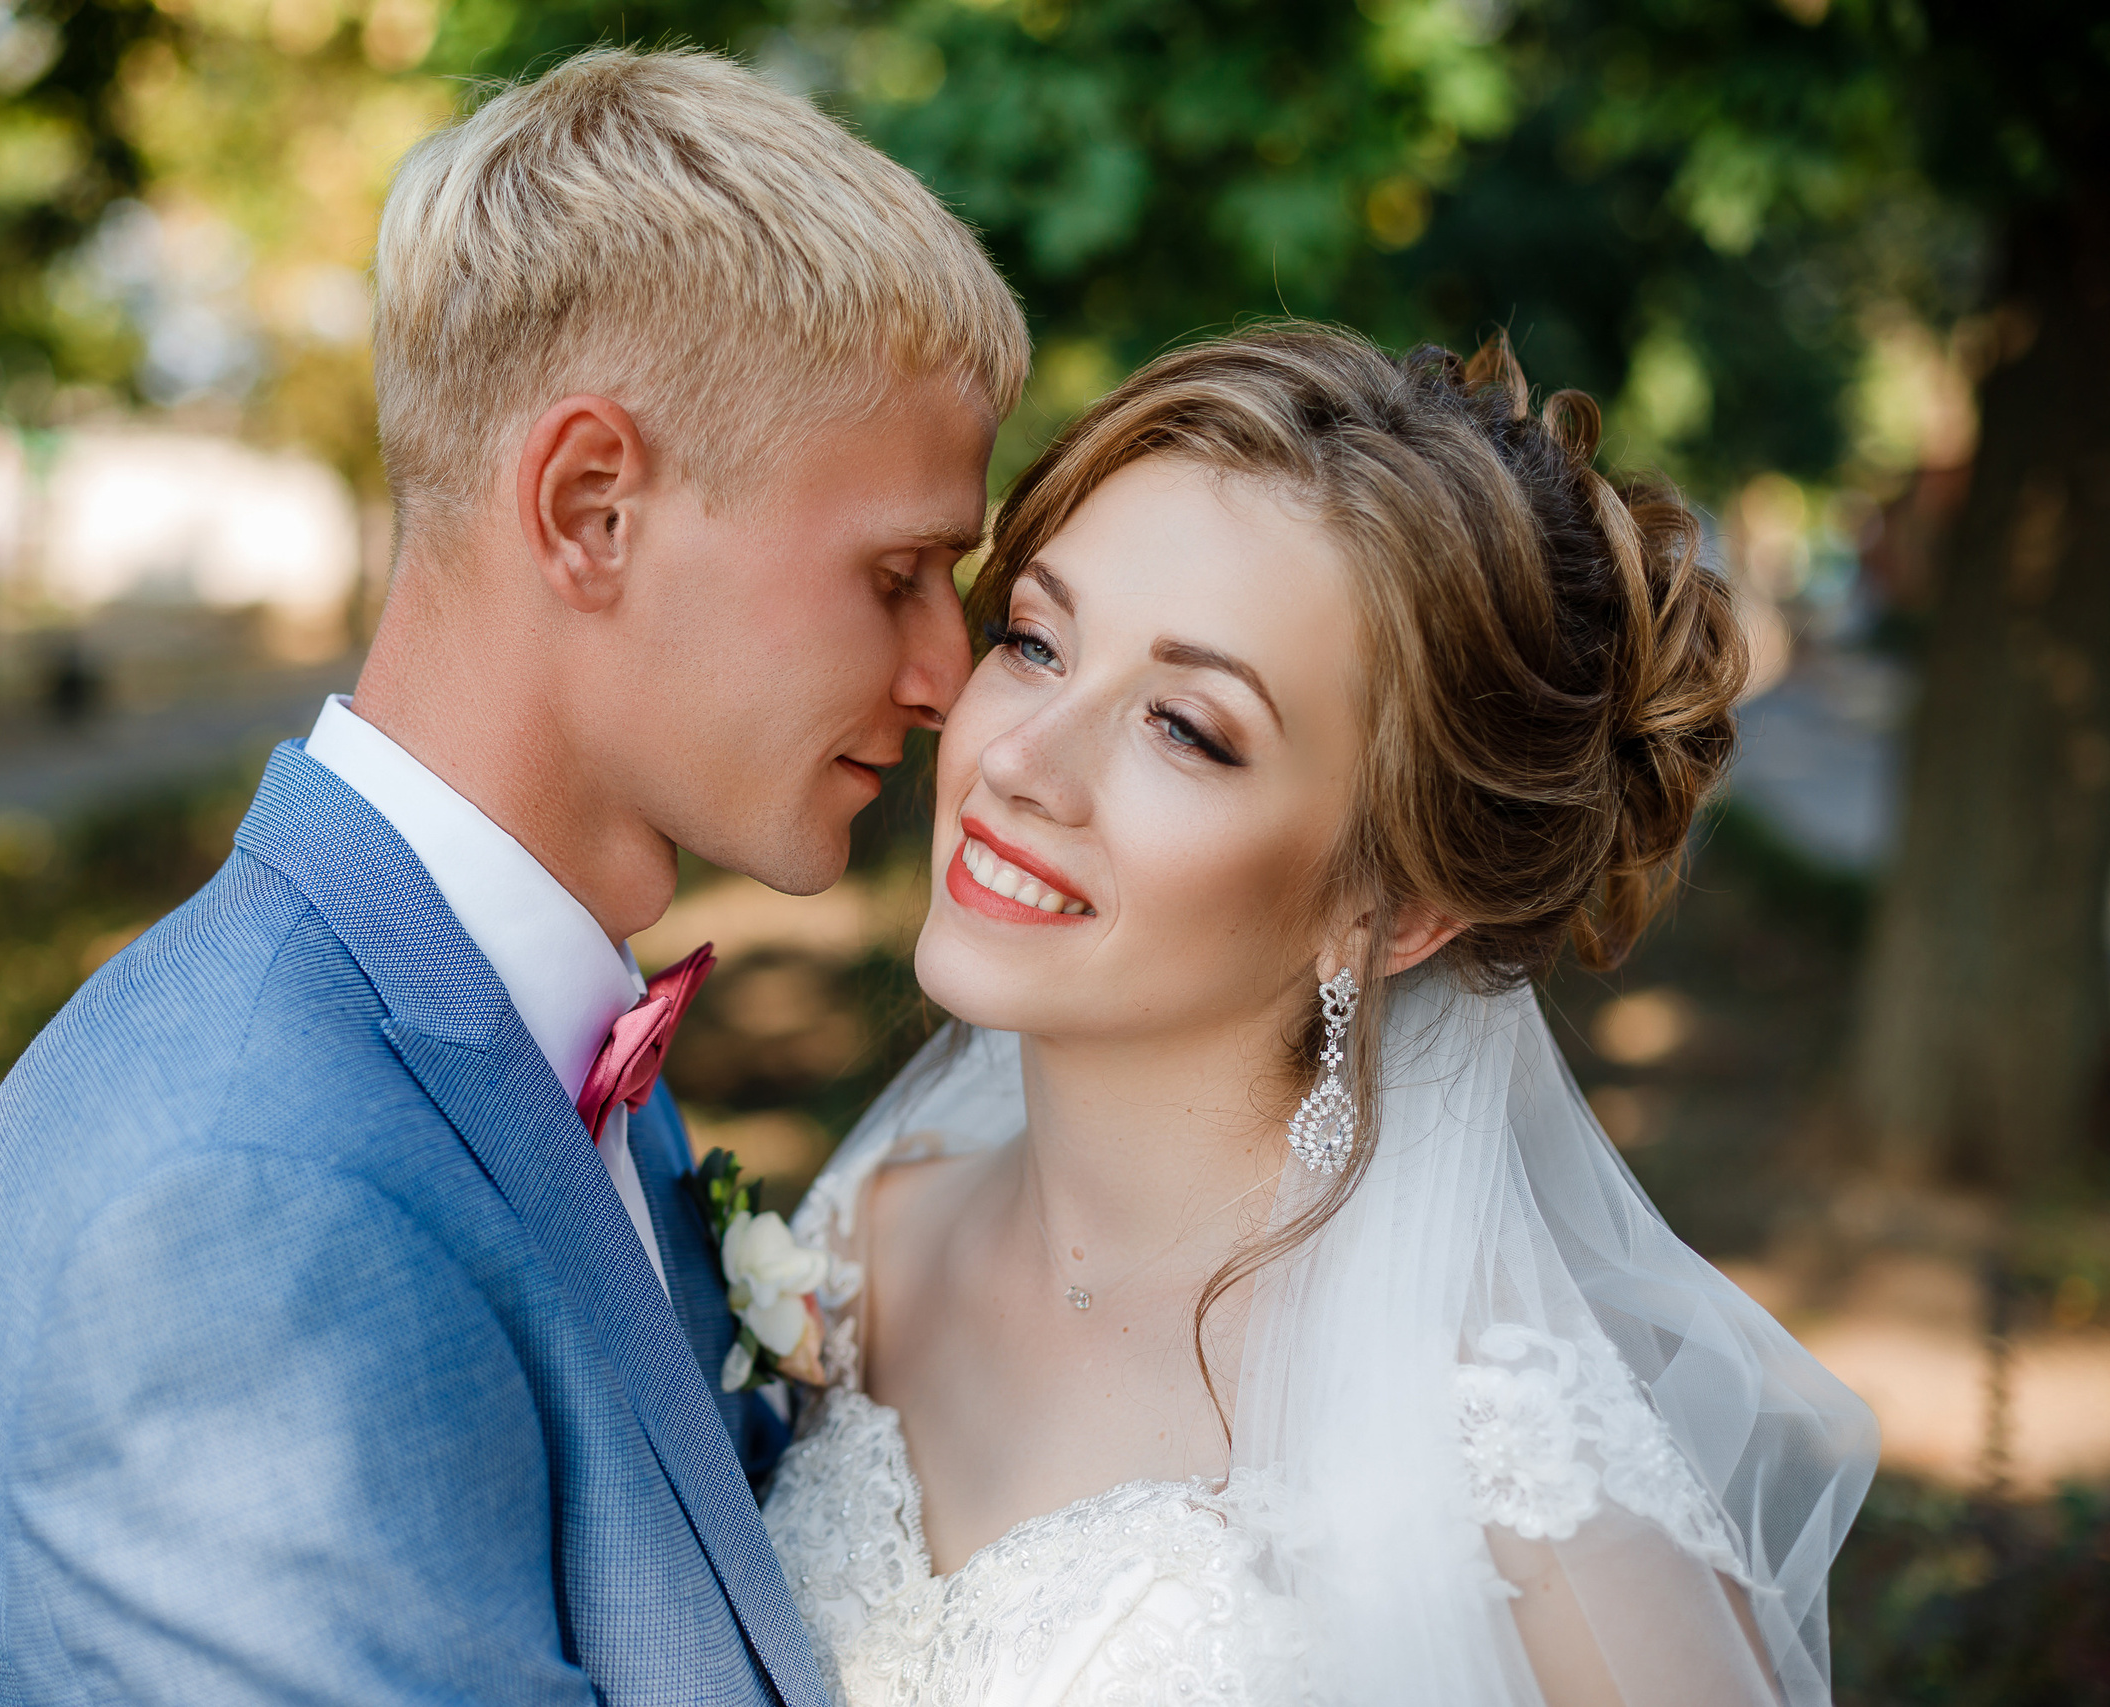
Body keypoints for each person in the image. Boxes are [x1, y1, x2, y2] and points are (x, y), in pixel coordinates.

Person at [0, 48, 1025, 1706]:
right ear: (589, 510)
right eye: (899, 573)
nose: (948, 674)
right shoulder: (246, 1214)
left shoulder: (538, 1052)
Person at [759, 325, 1880, 1706]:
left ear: (1396, 906)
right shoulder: (864, 1242)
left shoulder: (1496, 1464)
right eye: (1037, 642)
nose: (1020, 762)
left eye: (1188, 726)